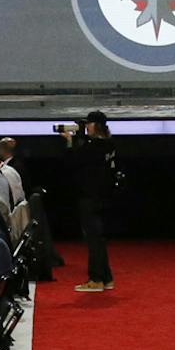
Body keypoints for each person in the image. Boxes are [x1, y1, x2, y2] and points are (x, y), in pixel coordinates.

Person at [63, 112, 119, 293]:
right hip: (104, 197)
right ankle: (106, 277)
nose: (86, 127)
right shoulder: (109, 144)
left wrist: (71, 143)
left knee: (94, 240)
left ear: (96, 126)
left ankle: (96, 279)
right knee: (99, 240)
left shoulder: (93, 147)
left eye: (89, 124)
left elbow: (72, 163)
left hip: (90, 197)